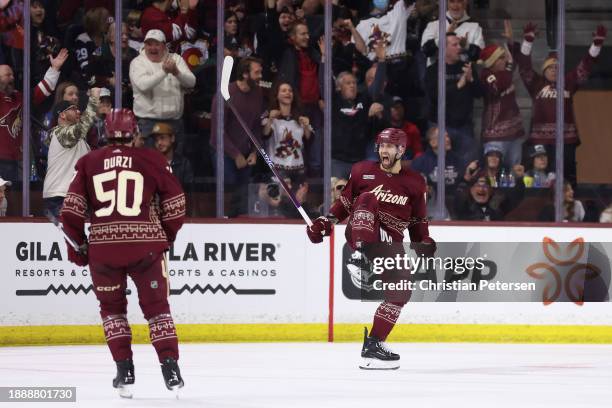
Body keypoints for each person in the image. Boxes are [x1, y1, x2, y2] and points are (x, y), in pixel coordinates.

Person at [60, 108, 186, 398]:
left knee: (113, 311)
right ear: (135, 132)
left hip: (104, 251)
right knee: (157, 309)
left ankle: (124, 370)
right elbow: (177, 203)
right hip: (146, 248)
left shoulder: (89, 162)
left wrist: (77, 247)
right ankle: (171, 370)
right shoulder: (152, 159)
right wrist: (164, 236)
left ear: (104, 133)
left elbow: (71, 210)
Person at [306, 128, 435, 370]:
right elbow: (344, 204)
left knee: (402, 291)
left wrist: (424, 242)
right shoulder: (362, 171)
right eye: (381, 145)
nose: (384, 150)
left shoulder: (416, 183)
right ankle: (363, 253)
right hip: (361, 233)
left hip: (390, 244)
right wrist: (325, 223)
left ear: (401, 150)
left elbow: (418, 221)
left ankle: (374, 345)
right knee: (367, 200)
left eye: (389, 146)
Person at [517, 23, 607, 184]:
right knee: (542, 179)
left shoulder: (568, 83)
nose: (553, 70)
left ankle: (569, 205)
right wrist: (528, 42)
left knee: (567, 176)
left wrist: (596, 46)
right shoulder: (536, 84)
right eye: (550, 68)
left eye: (557, 67)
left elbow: (584, 68)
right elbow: (524, 68)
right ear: (544, 70)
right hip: (541, 141)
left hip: (566, 140)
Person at [210, 56, 265, 216]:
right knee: (228, 191)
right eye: (257, 72)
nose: (261, 76)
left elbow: (256, 126)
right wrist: (235, 155)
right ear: (245, 74)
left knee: (243, 195)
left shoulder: (258, 93)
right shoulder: (225, 94)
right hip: (223, 152)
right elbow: (217, 132)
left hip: (245, 152)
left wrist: (255, 151)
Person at [129, 29, 196, 153]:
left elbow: (191, 82)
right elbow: (143, 85)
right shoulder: (137, 63)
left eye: (156, 44)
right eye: (149, 44)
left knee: (174, 165)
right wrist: (164, 71)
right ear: (144, 45)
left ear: (164, 46)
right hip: (148, 123)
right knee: (149, 165)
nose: (152, 48)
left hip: (174, 123)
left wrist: (176, 72)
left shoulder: (176, 59)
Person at [425, 32, 482, 165]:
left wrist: (471, 80)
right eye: (455, 45)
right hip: (441, 126)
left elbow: (479, 93)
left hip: (464, 127)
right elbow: (434, 96)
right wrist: (458, 85)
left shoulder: (466, 67)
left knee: (467, 165)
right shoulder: (433, 70)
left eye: (459, 44)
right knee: (440, 166)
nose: (460, 48)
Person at [43, 88, 100, 218]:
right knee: (66, 237)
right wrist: (94, 99)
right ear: (62, 115)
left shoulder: (80, 141)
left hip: (71, 196)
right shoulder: (60, 133)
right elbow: (82, 127)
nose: (78, 111)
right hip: (60, 196)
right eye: (74, 109)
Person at [479, 21, 524, 168]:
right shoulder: (486, 75)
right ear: (492, 62)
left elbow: (516, 59)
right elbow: (499, 85)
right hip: (495, 135)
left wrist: (510, 41)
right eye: (501, 58)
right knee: (492, 172)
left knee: (514, 172)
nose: (505, 60)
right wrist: (509, 66)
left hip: (514, 133)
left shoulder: (506, 71)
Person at [262, 81, 311, 181]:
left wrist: (306, 126)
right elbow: (264, 135)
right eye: (283, 91)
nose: (288, 93)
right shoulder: (270, 117)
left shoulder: (300, 118)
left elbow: (308, 139)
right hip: (277, 169)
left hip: (298, 168)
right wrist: (270, 119)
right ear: (277, 95)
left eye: (290, 91)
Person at [421, 0, 484, 66]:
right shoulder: (433, 25)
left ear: (465, 3)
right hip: (436, 74)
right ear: (447, 4)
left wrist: (467, 46)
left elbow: (480, 56)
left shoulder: (475, 27)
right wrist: (445, 37)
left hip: (465, 74)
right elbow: (425, 51)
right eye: (452, 1)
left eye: (459, 1)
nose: (455, 6)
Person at [151, 122, 194, 194]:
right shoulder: (151, 163)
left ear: (172, 138)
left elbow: (189, 191)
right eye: (156, 140)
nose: (159, 143)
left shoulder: (184, 163)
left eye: (162, 138)